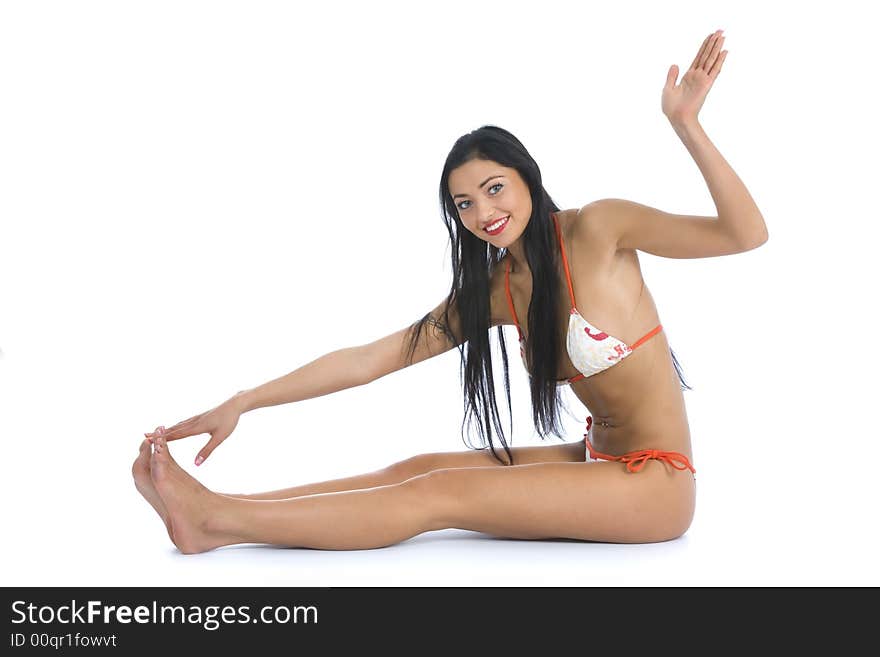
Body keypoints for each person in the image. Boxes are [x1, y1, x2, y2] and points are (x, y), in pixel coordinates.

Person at [133, 29, 766, 553]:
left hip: (656, 481)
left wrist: (687, 125)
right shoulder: (495, 291)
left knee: (437, 497)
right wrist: (244, 400)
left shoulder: (598, 229)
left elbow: (745, 234)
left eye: (495, 188)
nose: (483, 212)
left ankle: (214, 520)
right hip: (594, 457)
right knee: (413, 470)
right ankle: (216, 513)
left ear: (525, 177)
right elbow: (369, 359)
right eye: (464, 203)